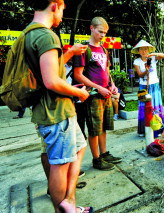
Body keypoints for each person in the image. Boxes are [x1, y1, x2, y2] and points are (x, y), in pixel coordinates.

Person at [26, 1, 91, 212]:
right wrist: (80, 92)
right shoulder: (47, 36)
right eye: (63, 9)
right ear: (55, 5)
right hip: (56, 112)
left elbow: (48, 71)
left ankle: (69, 199)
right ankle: (64, 207)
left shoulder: (29, 33)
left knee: (80, 147)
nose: (63, 15)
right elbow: (52, 81)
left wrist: (70, 53)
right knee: (60, 164)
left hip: (44, 109)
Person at [73, 17, 122, 171]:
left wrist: (112, 85)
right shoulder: (83, 49)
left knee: (103, 126)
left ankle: (104, 153)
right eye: (100, 31)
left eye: (105, 33)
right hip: (92, 95)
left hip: (106, 93)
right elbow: (78, 75)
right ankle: (96, 159)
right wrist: (98, 87)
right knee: (94, 129)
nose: (103, 35)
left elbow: (106, 70)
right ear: (91, 28)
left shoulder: (104, 49)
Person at [132, 40, 164, 138]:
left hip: (154, 85)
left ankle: (158, 129)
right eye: (141, 49)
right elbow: (140, 75)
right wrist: (146, 71)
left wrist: (153, 54)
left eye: (146, 49)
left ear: (148, 50)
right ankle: (144, 130)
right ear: (138, 51)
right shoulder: (137, 61)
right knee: (144, 108)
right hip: (144, 87)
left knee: (156, 107)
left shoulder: (153, 58)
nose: (144, 51)